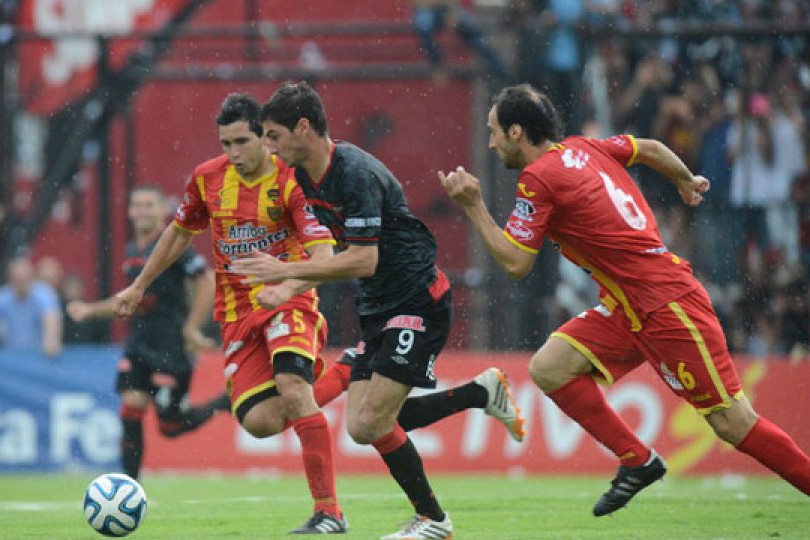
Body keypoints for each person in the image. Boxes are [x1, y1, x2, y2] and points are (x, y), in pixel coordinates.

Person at [437, 83, 810, 517]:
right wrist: (684, 179)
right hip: (628, 303)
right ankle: (637, 460)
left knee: (732, 422)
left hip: (664, 303)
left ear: (517, 132)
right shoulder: (582, 148)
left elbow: (517, 264)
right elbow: (648, 147)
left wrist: (474, 206)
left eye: (495, 131)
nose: (491, 141)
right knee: (550, 367)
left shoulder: (538, 178)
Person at [231, 81, 525, 540]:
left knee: (372, 422)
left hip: (415, 300)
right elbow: (340, 256)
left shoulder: (355, 174)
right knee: (364, 426)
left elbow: (363, 259)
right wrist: (290, 282)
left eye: (272, 135)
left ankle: (434, 520)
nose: (268, 147)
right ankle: (480, 393)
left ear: (303, 128)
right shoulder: (308, 176)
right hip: (378, 305)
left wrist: (285, 273)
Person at [113, 94, 349, 534]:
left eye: (242, 141)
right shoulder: (207, 179)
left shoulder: (291, 180)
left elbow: (323, 254)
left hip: (290, 299)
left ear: (264, 136)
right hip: (238, 312)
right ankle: (349, 371)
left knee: (293, 387)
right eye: (226, 144)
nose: (234, 153)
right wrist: (138, 285)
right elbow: (176, 235)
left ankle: (328, 512)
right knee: (260, 422)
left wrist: (289, 287)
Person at [67, 184, 226, 480]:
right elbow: (130, 299)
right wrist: (90, 310)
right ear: (129, 211)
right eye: (137, 205)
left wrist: (191, 328)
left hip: (171, 348)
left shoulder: (175, 246)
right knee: (131, 408)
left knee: (171, 427)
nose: (142, 210)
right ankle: (129, 487)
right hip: (139, 346)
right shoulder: (132, 251)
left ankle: (224, 402)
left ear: (163, 211)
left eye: (149, 205)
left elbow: (207, 281)